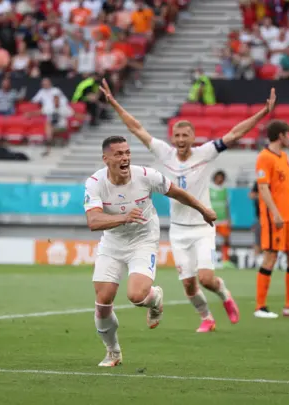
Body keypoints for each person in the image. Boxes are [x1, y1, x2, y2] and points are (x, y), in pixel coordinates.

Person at [101, 80, 275, 332]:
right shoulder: (165, 153)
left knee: (206, 279)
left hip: (202, 227)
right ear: (173, 138)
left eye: (186, 135)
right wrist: (115, 103)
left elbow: (235, 133)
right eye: (177, 135)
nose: (181, 139)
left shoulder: (205, 152)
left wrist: (262, 113)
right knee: (189, 286)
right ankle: (207, 318)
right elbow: (136, 128)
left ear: (193, 137)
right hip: (178, 230)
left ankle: (224, 294)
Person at [85, 135, 217, 366]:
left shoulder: (146, 175)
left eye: (127, 152)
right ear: (106, 159)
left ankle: (154, 298)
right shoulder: (95, 182)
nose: (125, 157)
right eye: (118, 154)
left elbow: (176, 192)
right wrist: (124, 218)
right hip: (113, 243)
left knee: (136, 296)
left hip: (143, 240)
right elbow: (93, 221)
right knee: (103, 302)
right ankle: (113, 351)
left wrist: (203, 210)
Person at [255, 120, 289, 319]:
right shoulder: (264, 157)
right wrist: (275, 213)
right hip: (274, 218)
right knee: (270, 258)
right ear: (280, 135)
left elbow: (288, 187)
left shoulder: (285, 157)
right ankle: (260, 307)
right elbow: (263, 188)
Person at [210, 170, 235, 269]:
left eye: (222, 177)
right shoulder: (209, 189)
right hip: (212, 219)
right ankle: (212, 260)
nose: (220, 179)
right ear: (215, 178)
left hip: (223, 219)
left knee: (226, 239)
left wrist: (229, 219)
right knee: (211, 240)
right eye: (218, 177)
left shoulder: (225, 190)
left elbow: (227, 206)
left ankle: (225, 260)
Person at [249, 182, 262, 259]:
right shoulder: (258, 183)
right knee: (258, 240)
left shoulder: (274, 181)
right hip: (259, 218)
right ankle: (256, 260)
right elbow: (251, 195)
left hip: (272, 218)